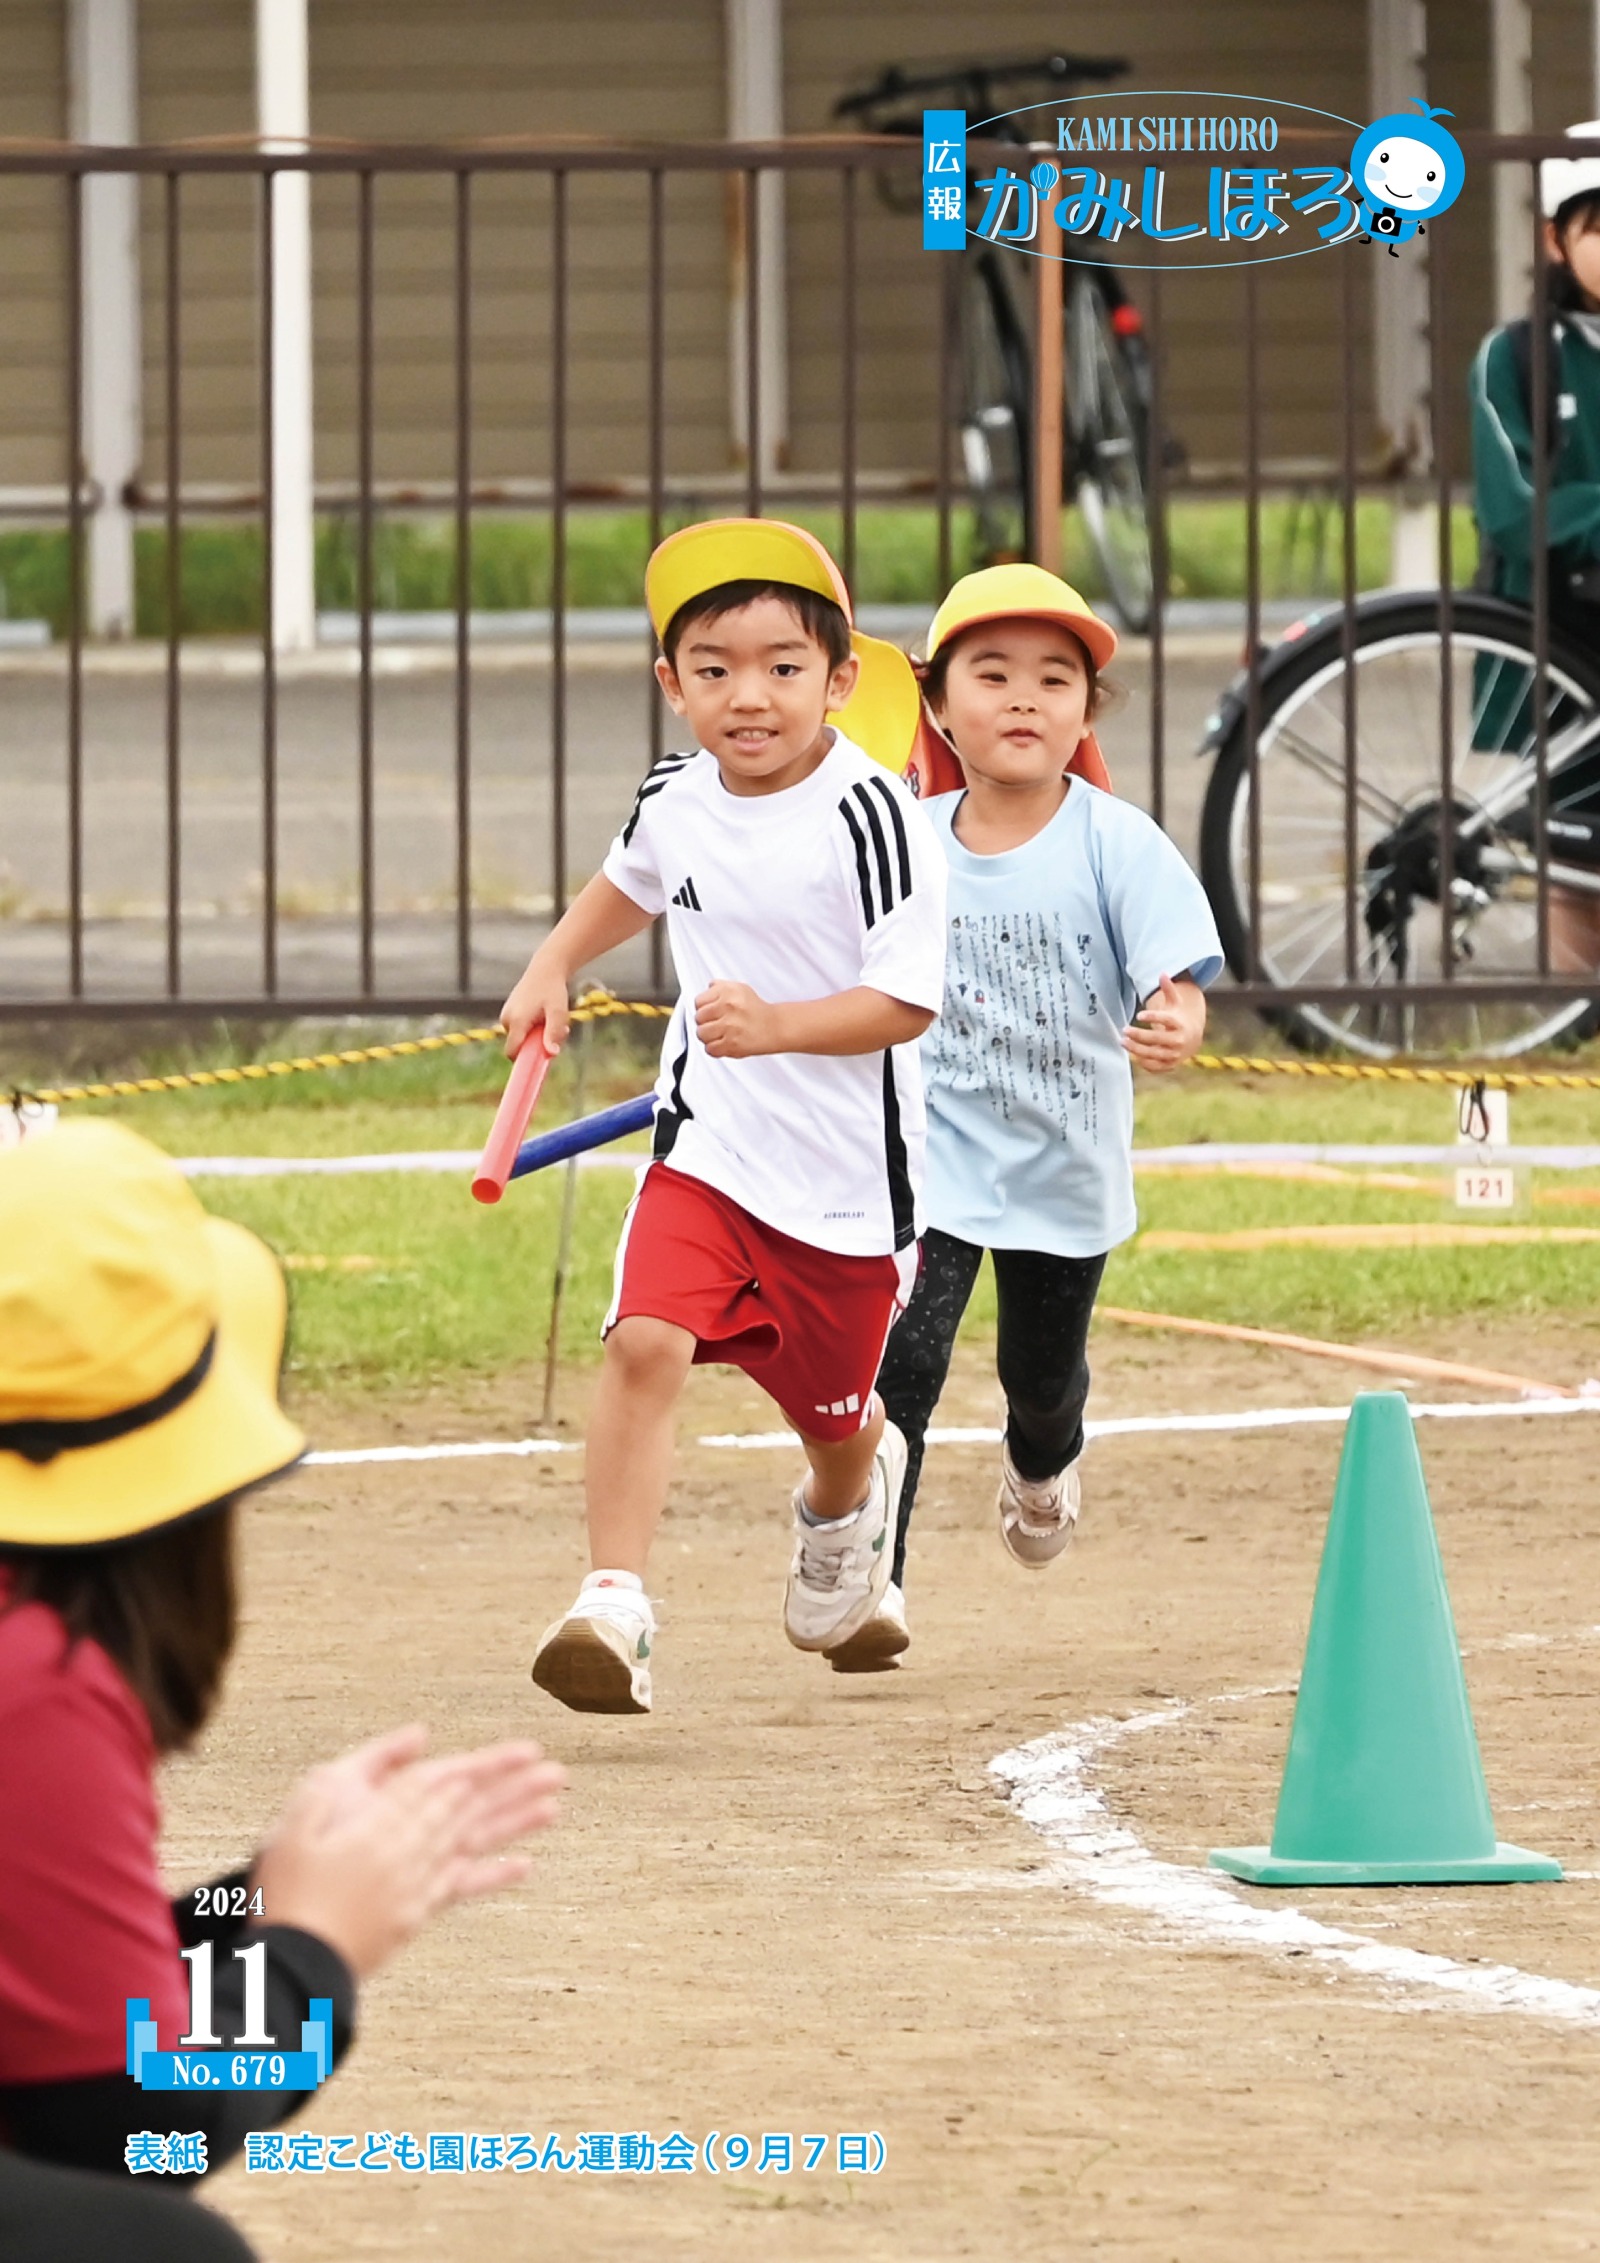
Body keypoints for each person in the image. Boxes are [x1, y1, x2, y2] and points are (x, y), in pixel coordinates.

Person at [0, 1118, 565, 2260]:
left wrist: (249, 1897)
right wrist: (312, 1953)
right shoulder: (38, 1677)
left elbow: (48, 1997)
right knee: (173, 2252)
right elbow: (136, 2125)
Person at [500, 518, 948, 1715]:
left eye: (782, 667)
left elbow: (906, 1002)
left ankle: (849, 1499)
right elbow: (629, 881)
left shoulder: (879, 817)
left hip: (851, 1184)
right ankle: (614, 1603)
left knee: (835, 1418)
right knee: (645, 1340)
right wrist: (552, 964)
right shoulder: (671, 797)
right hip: (707, 1144)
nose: (748, 696)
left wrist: (780, 1024)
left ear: (839, 681)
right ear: (672, 683)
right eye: (713, 668)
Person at [827, 565, 1223, 1673]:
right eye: (990, 674)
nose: (1022, 698)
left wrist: (1176, 1013)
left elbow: (1175, 973)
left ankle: (1042, 1465)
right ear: (937, 702)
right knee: (901, 1360)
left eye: (1054, 679)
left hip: (1063, 1164)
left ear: (1086, 710)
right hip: (930, 1156)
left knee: (1039, 1382)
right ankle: (874, 1583)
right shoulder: (903, 836)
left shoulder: (1115, 839)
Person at [1471, 121, 1600, 968]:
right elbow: (1512, 503)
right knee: (1578, 842)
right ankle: (1580, 1012)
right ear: (1556, 241)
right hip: (1557, 625)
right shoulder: (1516, 355)